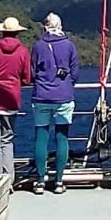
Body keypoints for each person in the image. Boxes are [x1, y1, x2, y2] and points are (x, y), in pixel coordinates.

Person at [29, 12, 80, 195]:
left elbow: (32, 73)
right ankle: (59, 181)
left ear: (45, 26)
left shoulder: (38, 46)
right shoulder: (69, 46)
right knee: (62, 138)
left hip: (41, 96)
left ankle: (40, 181)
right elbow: (75, 73)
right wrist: (66, 84)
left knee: (41, 138)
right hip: (64, 97)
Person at [0, 15, 32, 187]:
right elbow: (27, 78)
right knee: (7, 141)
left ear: (2, 31)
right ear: (18, 32)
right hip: (11, 101)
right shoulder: (23, 52)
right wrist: (15, 83)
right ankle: (9, 179)